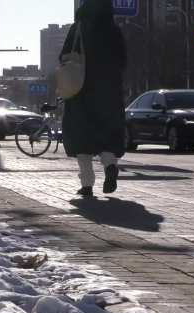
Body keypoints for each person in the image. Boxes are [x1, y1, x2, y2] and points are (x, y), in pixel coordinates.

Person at [59, 0, 127, 198]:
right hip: (109, 94)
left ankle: (87, 185)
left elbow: (64, 56)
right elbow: (123, 61)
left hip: (81, 90)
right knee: (106, 135)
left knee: (82, 138)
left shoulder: (78, 28)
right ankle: (110, 166)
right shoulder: (114, 30)